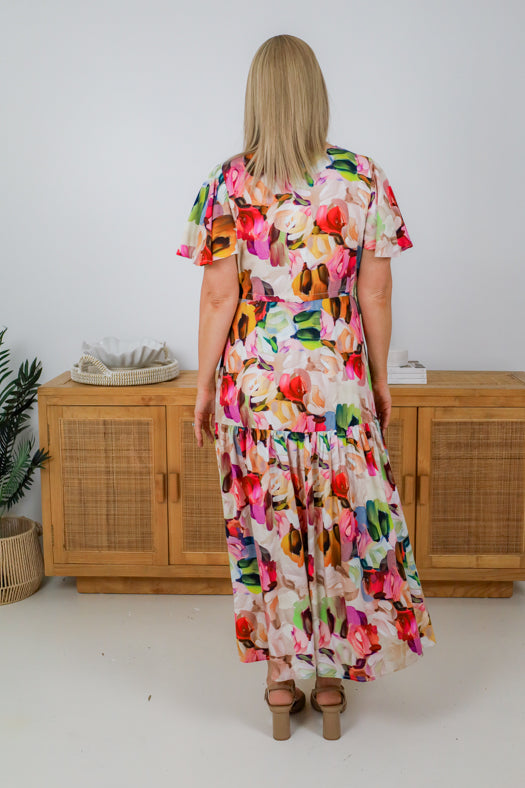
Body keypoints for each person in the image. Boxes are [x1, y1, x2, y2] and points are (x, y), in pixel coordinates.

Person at [176, 33, 437, 740]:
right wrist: (379, 381)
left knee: (270, 532)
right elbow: (375, 295)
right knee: (337, 529)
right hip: (337, 388)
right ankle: (328, 682)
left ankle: (277, 680)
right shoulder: (364, 178)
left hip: (254, 391)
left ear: (257, 98)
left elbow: (215, 301)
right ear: (315, 95)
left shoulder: (228, 184)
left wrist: (203, 389)